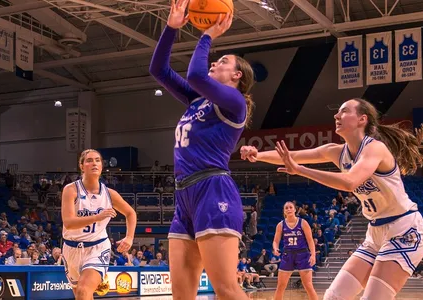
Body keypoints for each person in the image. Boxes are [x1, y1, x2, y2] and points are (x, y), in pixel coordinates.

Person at [241, 98, 423, 300]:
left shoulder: (374, 148)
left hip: (404, 230)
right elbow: (292, 156)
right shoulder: (337, 152)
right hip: (375, 233)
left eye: (343, 111)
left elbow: (350, 182)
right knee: (333, 296)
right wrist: (258, 155)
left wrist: (300, 171)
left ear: (362, 119)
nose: (336, 115)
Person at [151, 0, 252, 298]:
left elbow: (196, 74)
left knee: (226, 289)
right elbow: (158, 69)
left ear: (237, 77)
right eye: (215, 60)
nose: (214, 63)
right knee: (181, 295)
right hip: (184, 195)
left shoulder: (235, 103)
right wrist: (171, 28)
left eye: (223, 63)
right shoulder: (197, 100)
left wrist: (207, 35)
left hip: (213, 189)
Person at [60, 149, 137, 300]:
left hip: (97, 248)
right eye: (89, 160)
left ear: (101, 166)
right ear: (81, 166)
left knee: (83, 290)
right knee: (80, 294)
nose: (94, 163)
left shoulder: (109, 194)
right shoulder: (71, 190)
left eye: (97, 160)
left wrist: (129, 237)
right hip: (71, 249)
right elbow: (68, 223)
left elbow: (131, 213)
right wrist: (98, 217)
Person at [271, 202, 318, 300]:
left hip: (303, 254)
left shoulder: (303, 223)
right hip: (288, 255)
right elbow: (275, 241)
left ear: (295, 209)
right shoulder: (280, 225)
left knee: (308, 285)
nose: (288, 209)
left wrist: (313, 255)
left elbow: (310, 240)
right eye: (286, 208)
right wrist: (275, 248)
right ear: (284, 211)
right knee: (280, 286)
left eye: (290, 207)